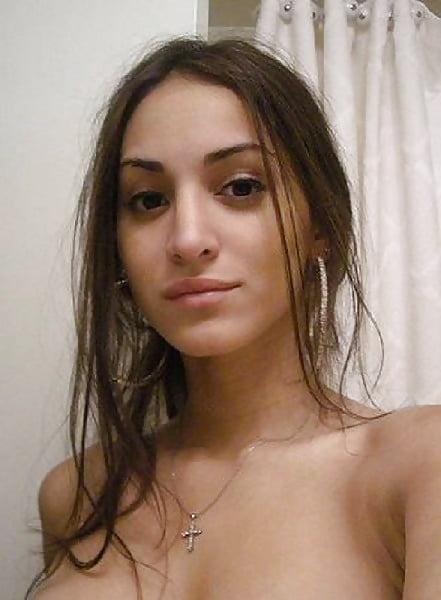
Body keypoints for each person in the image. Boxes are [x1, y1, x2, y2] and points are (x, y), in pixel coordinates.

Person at [27, 34, 441, 600]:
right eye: (149, 200)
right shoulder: (75, 493)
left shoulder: (417, 465)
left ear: (320, 225)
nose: (187, 238)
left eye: (241, 187)